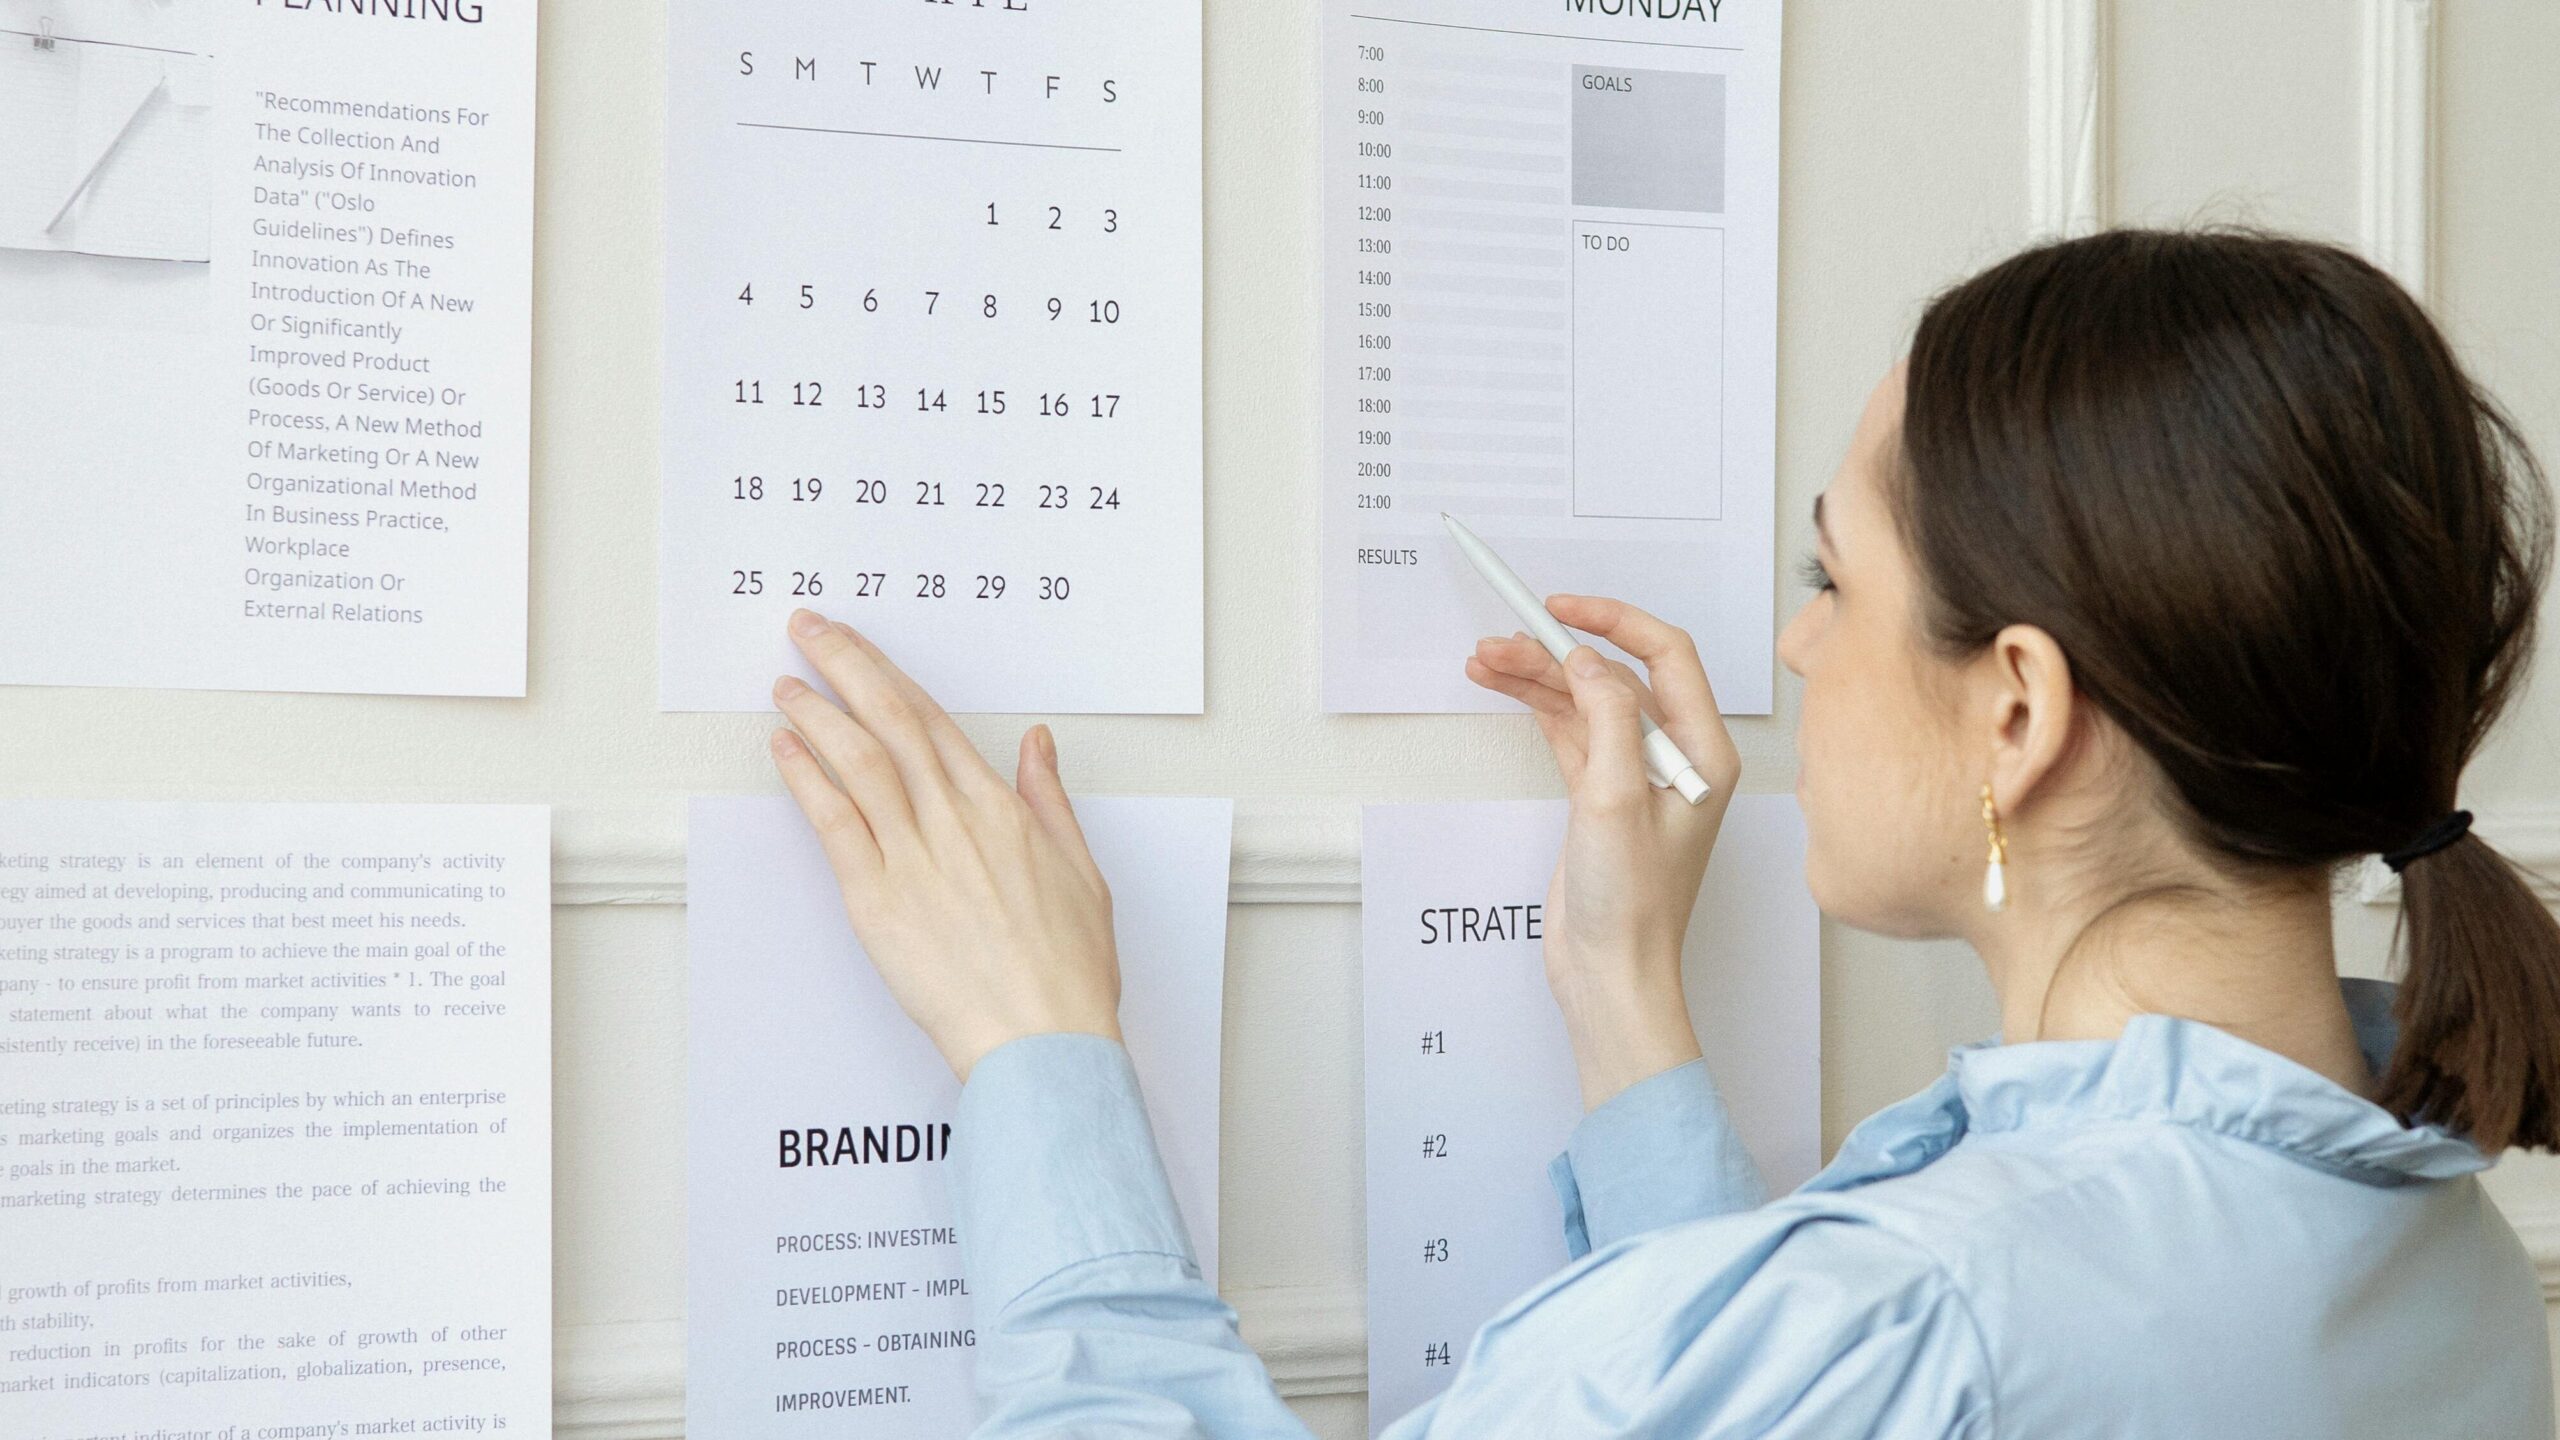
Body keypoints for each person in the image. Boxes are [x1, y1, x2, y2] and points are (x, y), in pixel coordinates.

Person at [761, 228, 2560, 1437]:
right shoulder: (2445, 1259)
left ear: (2018, 710)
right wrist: (1624, 985)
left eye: (1829, 575)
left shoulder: (1905, 1326)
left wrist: (1035, 1045)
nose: (1792, 642)